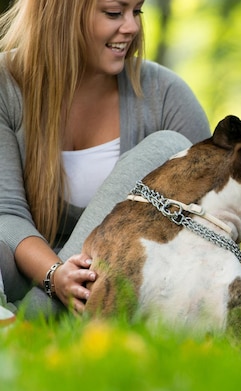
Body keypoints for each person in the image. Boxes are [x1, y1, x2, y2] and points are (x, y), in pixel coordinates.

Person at [0, 0, 211, 318]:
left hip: (117, 284)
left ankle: (31, 321)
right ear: (62, 12)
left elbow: (204, 229)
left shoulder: (166, 97)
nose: (132, 27)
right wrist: (56, 275)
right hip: (21, 273)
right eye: (114, 12)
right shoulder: (6, 85)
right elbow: (6, 211)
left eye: (137, 11)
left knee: (170, 145)